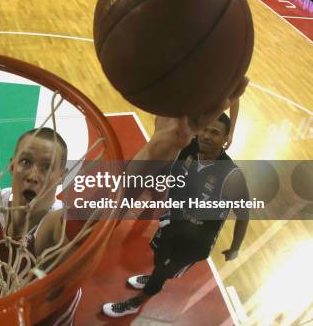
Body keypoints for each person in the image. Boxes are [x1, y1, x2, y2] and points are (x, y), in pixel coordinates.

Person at [0, 76, 249, 322]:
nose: (33, 173)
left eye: (47, 168)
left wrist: (168, 142)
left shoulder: (57, 226)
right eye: (26, 162)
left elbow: (122, 188)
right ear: (10, 166)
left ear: (61, 177)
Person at [102, 113, 250, 317]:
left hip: (195, 241)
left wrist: (235, 248)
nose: (206, 136)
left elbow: (244, 215)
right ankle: (156, 277)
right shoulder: (189, 149)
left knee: (163, 272)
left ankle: (136, 302)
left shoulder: (232, 176)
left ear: (226, 139)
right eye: (205, 129)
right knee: (159, 258)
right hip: (172, 222)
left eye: (215, 133)